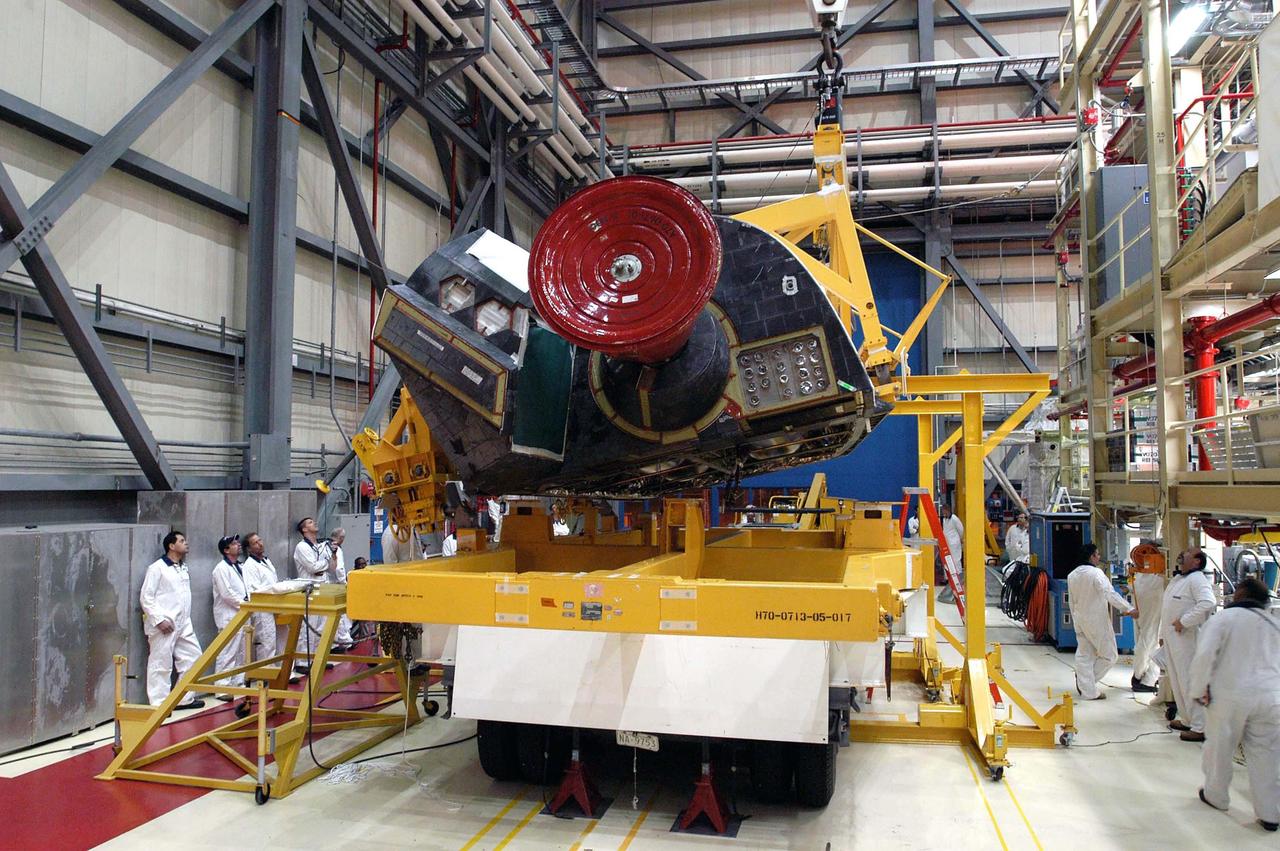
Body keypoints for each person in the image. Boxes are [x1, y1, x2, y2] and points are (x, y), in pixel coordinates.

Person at [1188, 578, 1279, 831]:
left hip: (1230, 695)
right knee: (1267, 754)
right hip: (1271, 697)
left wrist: (1198, 689)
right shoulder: (1274, 623)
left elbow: (1204, 655)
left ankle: (1216, 796)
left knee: (1220, 746)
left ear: (1239, 594)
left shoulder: (1224, 619)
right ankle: (1270, 813)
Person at [140, 531, 204, 708]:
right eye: (182, 541)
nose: (186, 543)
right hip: (164, 624)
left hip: (183, 623)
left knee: (194, 658)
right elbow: (146, 597)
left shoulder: (182, 567)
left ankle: (183, 698)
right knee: (161, 664)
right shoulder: (157, 568)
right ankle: (158, 705)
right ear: (171, 545)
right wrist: (159, 620)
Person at [1067, 543, 1138, 700]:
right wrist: (1128, 608)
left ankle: (1087, 689)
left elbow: (1071, 602)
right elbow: (1109, 594)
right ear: (1091, 556)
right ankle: (1087, 683)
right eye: (1097, 554)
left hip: (1079, 619)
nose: (1099, 557)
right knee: (1110, 655)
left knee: (1085, 654)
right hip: (1096, 620)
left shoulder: (1072, 575)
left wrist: (1075, 620)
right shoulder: (1096, 574)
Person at [1161, 548, 1217, 741]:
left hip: (1188, 639)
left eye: (1189, 553)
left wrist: (1184, 621)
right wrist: (1163, 634)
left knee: (1191, 682)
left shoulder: (1197, 580)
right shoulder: (1178, 580)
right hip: (1174, 639)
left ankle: (1200, 727)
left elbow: (1208, 603)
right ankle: (1187, 719)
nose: (1182, 553)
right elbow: (1167, 609)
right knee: (1178, 681)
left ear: (1197, 562)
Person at [210, 535, 249, 699]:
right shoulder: (221, 569)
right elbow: (227, 594)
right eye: (234, 544)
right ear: (226, 550)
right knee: (228, 650)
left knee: (241, 650)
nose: (238, 545)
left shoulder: (238, 566)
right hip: (229, 614)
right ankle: (222, 687)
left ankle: (237, 682)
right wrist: (244, 603)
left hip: (242, 612)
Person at [293, 517, 333, 675]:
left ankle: (317, 657)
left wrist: (325, 564)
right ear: (304, 529)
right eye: (310, 522)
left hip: (322, 588)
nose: (314, 523)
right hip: (309, 590)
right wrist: (326, 563)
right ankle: (303, 661)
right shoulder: (302, 547)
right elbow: (312, 568)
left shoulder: (318, 546)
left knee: (322, 626)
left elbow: (328, 568)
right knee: (308, 627)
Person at [1129, 548, 1167, 693]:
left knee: (1148, 640)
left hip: (1143, 609)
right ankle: (1139, 677)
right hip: (1151, 608)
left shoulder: (1141, 574)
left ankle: (1145, 678)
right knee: (1149, 640)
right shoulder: (1155, 575)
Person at [241, 532, 279, 660]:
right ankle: (265, 675)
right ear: (249, 548)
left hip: (275, 603)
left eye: (260, 540)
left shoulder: (266, 561)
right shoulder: (249, 566)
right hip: (263, 608)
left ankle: (280, 672)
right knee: (266, 641)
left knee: (276, 640)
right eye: (255, 543)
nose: (260, 544)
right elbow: (254, 590)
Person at [328, 527, 354, 652]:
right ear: (341, 538)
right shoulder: (336, 548)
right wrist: (344, 582)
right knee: (341, 615)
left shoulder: (327, 545)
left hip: (329, 584)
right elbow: (339, 568)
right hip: (337, 584)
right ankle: (345, 640)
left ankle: (339, 641)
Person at [936, 503, 965, 603]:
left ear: (947, 510)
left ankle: (959, 579)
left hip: (954, 543)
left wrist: (959, 539)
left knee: (956, 560)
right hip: (947, 543)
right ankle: (948, 579)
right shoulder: (944, 519)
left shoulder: (954, 519)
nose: (943, 512)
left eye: (944, 511)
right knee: (947, 561)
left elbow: (961, 530)